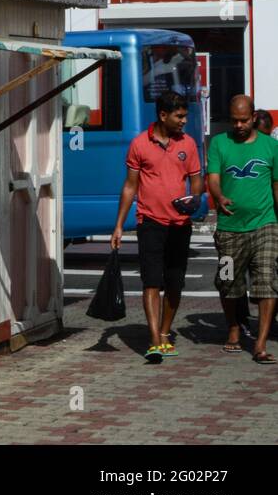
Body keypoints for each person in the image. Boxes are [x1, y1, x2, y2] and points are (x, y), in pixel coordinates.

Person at [111, 90, 203, 361]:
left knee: (175, 282)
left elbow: (196, 179)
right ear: (163, 115)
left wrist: (194, 199)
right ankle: (153, 340)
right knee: (151, 281)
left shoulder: (189, 144)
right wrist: (118, 226)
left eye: (185, 115)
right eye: (179, 116)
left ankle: (164, 333)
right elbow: (130, 186)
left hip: (180, 223)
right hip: (150, 221)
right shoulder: (140, 144)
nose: (184, 121)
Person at [207, 94, 278, 363]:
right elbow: (213, 178)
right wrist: (219, 196)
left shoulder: (271, 147)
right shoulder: (219, 143)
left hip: (265, 224)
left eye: (244, 120)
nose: (238, 125)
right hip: (228, 228)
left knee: (266, 281)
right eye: (234, 120)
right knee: (227, 281)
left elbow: (276, 186)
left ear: (253, 117)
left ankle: (259, 344)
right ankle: (234, 326)